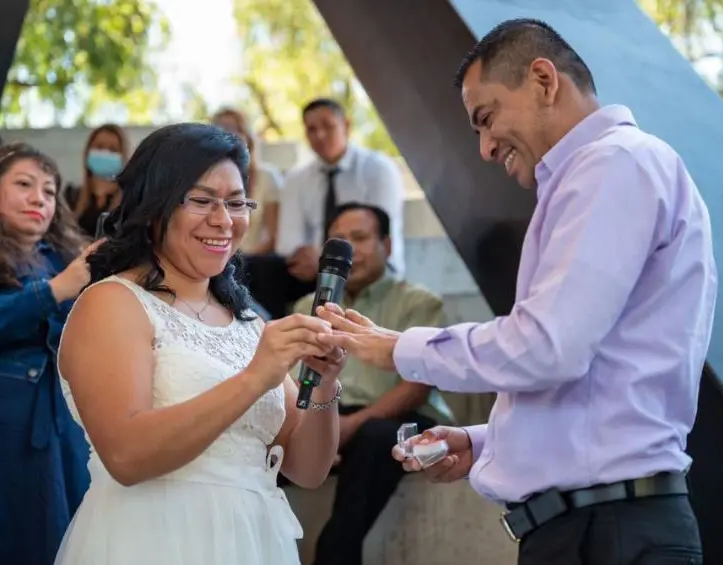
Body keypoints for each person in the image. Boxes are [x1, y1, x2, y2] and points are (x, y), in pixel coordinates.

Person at [315, 18, 716, 565]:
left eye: (486, 118)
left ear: (544, 81)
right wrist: (483, 442)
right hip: (593, 526)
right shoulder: (602, 173)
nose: (482, 148)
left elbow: (548, 347)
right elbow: (593, 384)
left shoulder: (613, 164)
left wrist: (398, 349)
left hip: (607, 532)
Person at [54, 123, 345, 565]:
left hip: (253, 541)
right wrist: (253, 378)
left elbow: (307, 469)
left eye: (235, 202)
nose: (224, 220)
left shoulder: (247, 321)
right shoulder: (112, 304)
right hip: (156, 539)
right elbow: (127, 455)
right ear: (155, 206)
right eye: (203, 200)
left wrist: (323, 386)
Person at [0, 143, 94, 565]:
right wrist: (54, 292)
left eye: (48, 191)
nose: (38, 199)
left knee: (57, 536)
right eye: (24, 185)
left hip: (60, 424)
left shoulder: (65, 260)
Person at [290, 202, 454, 565]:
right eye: (340, 240)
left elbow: (418, 386)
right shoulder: (307, 305)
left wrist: (347, 428)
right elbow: (291, 385)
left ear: (387, 245)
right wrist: (312, 433)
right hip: (327, 411)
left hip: (396, 418)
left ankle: (335, 557)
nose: (350, 248)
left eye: (359, 238)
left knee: (375, 437)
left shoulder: (418, 303)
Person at [246, 98, 406, 319]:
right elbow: (288, 244)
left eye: (328, 126)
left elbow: (376, 236)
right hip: (314, 271)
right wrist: (322, 260)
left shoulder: (379, 169)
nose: (320, 135)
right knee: (261, 268)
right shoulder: (296, 179)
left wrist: (324, 256)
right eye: (312, 129)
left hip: (368, 264)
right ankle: (270, 334)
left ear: (346, 126)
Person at [211, 107, 284, 255]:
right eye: (220, 129)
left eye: (234, 128)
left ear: (248, 137)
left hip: (255, 262)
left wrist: (241, 262)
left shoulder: (267, 176)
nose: (227, 134)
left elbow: (274, 237)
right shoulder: (206, 178)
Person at [70, 124, 129, 237]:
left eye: (113, 149)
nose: (105, 153)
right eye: (99, 147)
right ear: (88, 151)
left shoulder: (130, 200)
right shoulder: (71, 196)